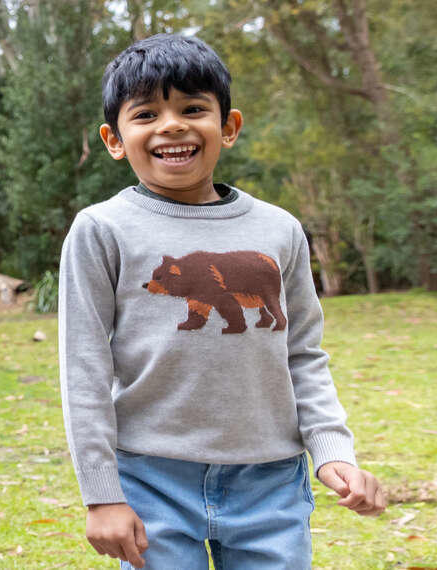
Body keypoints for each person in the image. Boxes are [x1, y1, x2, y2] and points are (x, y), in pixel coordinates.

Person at [61, 34, 385, 569]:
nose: (171, 126)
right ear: (114, 139)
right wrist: (102, 494)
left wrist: (333, 452)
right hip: (150, 476)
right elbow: (84, 369)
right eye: (145, 114)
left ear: (228, 127)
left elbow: (303, 352)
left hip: (271, 478)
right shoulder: (101, 230)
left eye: (192, 108)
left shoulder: (278, 229)